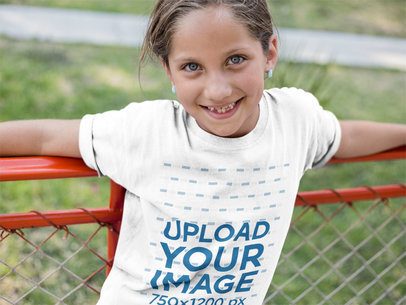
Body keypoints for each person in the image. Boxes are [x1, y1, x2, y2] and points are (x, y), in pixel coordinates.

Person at [0, 0, 405, 304]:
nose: (217, 90)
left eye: (235, 60)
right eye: (192, 67)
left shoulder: (295, 121)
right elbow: (41, 138)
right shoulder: (148, 130)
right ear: (169, 71)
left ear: (270, 53)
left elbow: (341, 136)